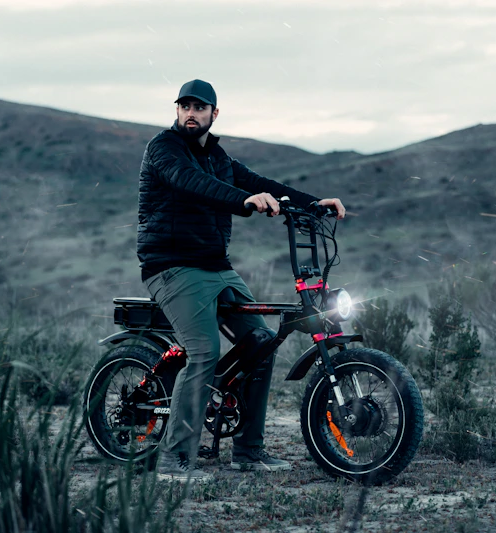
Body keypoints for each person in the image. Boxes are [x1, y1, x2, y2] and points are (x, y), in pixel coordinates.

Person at [137, 79, 345, 483]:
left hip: (215, 266)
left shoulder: (218, 157)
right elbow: (193, 183)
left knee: (262, 343)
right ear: (177, 112)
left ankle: (248, 451)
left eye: (200, 108)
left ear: (215, 114)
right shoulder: (163, 149)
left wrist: (313, 202)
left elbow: (258, 183)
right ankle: (175, 459)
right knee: (202, 350)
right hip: (171, 266)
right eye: (185, 107)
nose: (191, 113)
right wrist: (242, 200)